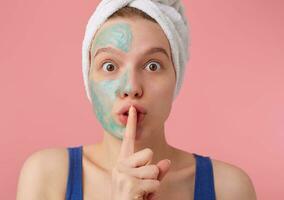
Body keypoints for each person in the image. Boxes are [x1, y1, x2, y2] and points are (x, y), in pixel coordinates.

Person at [16, 1, 257, 200]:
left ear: (176, 77)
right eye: (109, 66)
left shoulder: (229, 188)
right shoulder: (47, 175)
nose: (131, 88)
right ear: (88, 78)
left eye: (153, 66)